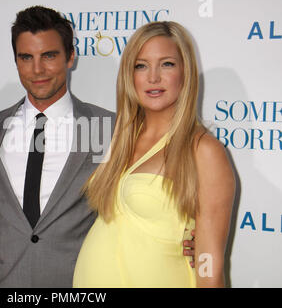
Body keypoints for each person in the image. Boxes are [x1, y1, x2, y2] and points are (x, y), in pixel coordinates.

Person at [0, 7, 196, 288]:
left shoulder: (107, 127)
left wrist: (194, 235)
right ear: (16, 60)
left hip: (80, 282)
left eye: (49, 55)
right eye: (26, 57)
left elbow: (140, 194)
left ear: (70, 57)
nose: (38, 70)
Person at [73, 21, 235, 288]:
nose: (153, 77)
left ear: (186, 72)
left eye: (167, 64)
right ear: (129, 74)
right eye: (141, 65)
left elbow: (209, 266)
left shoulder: (203, 150)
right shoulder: (119, 139)